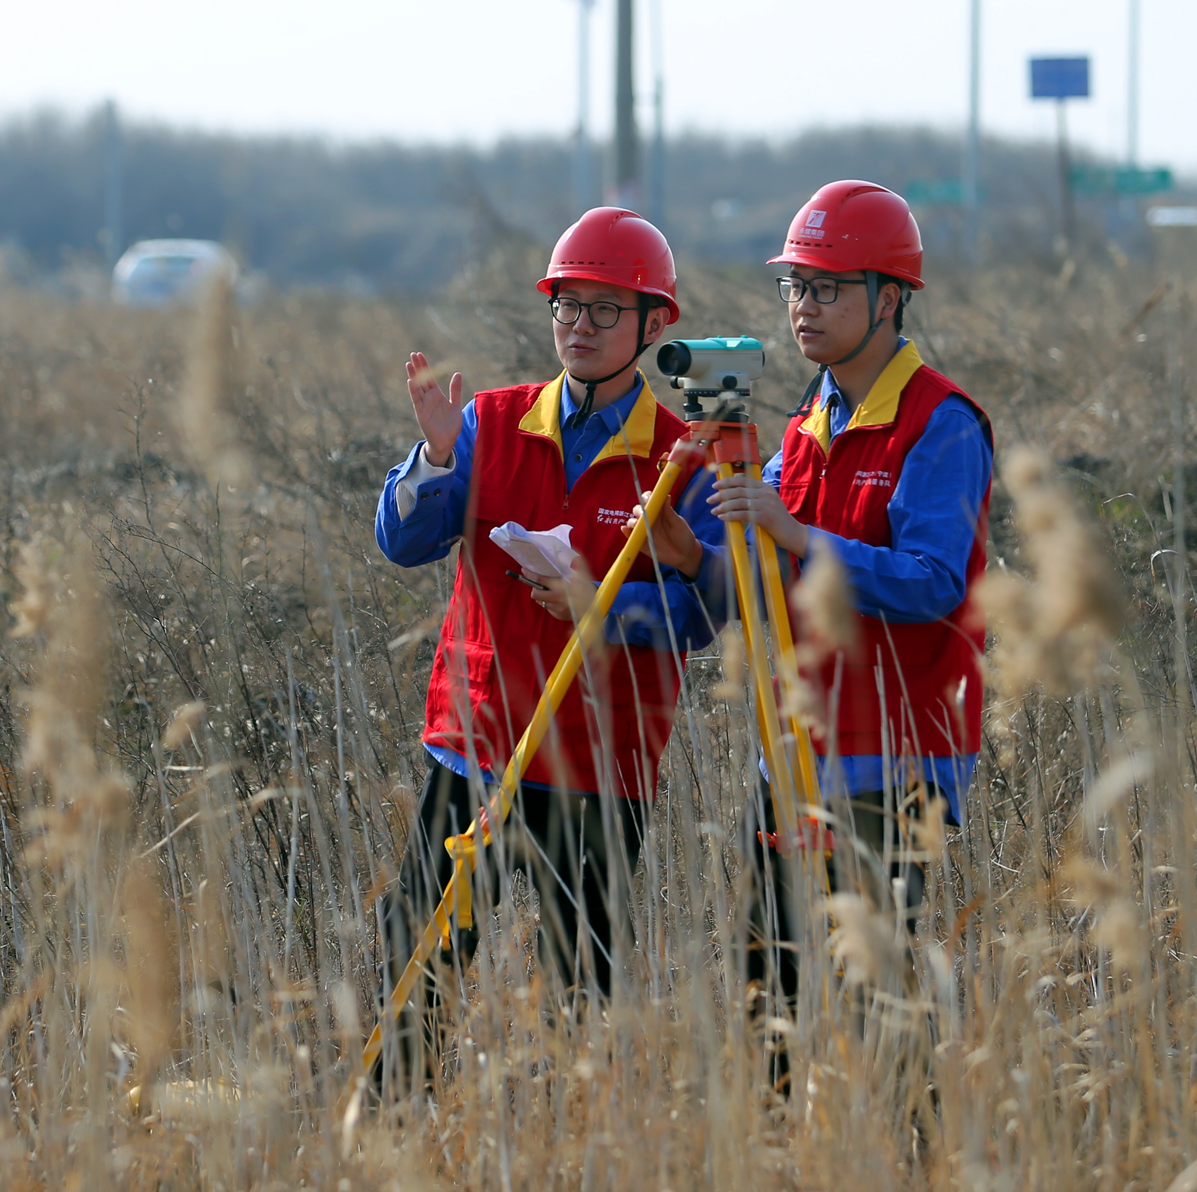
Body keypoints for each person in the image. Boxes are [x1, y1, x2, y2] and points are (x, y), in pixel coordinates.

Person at [372, 206, 723, 1087]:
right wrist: (437, 457)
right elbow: (402, 544)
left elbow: (710, 613)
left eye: (608, 310)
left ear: (654, 325)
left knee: (579, 989)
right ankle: (392, 1131)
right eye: (569, 304)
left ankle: (574, 1157)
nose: (581, 326)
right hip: (479, 744)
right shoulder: (489, 421)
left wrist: (598, 609)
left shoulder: (686, 457)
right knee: (417, 955)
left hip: (598, 762)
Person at [644, 180, 994, 1045]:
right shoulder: (807, 420)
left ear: (891, 299)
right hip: (797, 740)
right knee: (774, 986)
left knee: (881, 993)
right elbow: (764, 589)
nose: (806, 306)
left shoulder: (939, 424)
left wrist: (797, 535)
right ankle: (782, 1163)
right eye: (796, 286)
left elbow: (933, 582)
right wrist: (697, 561)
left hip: (896, 747)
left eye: (829, 287)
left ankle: (912, 1166)